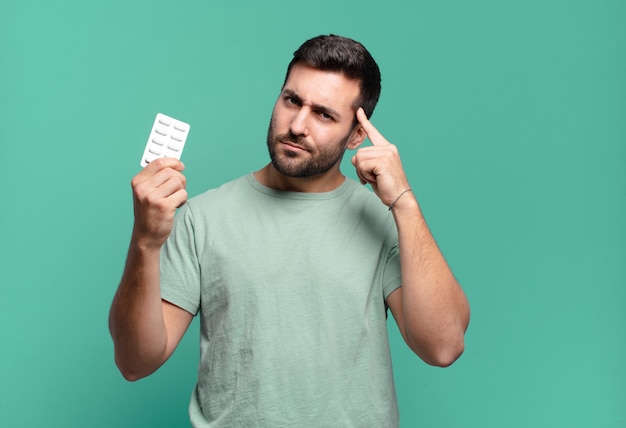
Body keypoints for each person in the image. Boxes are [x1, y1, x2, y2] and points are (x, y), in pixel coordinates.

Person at [109, 34, 470, 427]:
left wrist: (404, 201)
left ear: (355, 136)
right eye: (292, 100)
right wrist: (145, 241)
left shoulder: (382, 219)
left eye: (324, 114)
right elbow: (134, 362)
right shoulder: (203, 218)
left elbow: (443, 346)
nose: (297, 125)